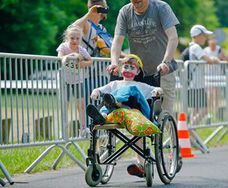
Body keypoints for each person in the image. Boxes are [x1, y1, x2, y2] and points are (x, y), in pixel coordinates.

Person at [107, 0, 179, 178]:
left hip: (162, 70)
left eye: (139, 0)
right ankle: (142, 162)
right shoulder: (125, 12)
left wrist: (166, 60)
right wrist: (114, 63)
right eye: (133, 0)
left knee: (164, 115)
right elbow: (117, 40)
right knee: (137, 116)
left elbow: (173, 37)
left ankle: (172, 154)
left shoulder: (161, 8)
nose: (136, 3)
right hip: (138, 72)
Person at [88, 54, 163, 177]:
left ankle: (113, 103)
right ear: (121, 68)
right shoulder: (115, 83)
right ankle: (103, 114)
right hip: (115, 115)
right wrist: (96, 92)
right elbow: (100, 89)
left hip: (132, 115)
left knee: (131, 90)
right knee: (106, 109)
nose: (128, 70)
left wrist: (158, 90)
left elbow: (156, 89)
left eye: (132, 68)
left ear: (138, 71)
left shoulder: (140, 86)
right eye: (126, 66)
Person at [57, 25, 93, 137]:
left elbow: (90, 61)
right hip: (65, 80)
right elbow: (60, 57)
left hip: (78, 80)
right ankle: (63, 129)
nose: (75, 40)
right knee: (65, 104)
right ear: (68, 38)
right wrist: (70, 56)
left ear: (80, 39)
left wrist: (82, 64)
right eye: (72, 38)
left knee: (81, 104)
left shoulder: (82, 50)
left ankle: (83, 128)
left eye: (77, 38)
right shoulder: (63, 46)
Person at [187, 25, 220, 125]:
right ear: (197, 35)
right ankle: (190, 129)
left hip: (194, 84)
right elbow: (209, 60)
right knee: (205, 109)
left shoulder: (191, 47)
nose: (205, 38)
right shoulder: (196, 47)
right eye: (203, 35)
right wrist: (214, 59)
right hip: (197, 84)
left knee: (195, 110)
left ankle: (192, 135)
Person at [204, 38, 228, 115]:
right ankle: (208, 112)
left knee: (216, 94)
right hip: (208, 75)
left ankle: (215, 111)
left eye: (214, 44)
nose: (213, 45)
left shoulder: (219, 49)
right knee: (209, 94)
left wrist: (222, 58)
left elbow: (226, 59)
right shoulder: (205, 50)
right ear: (209, 43)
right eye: (212, 44)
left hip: (217, 75)